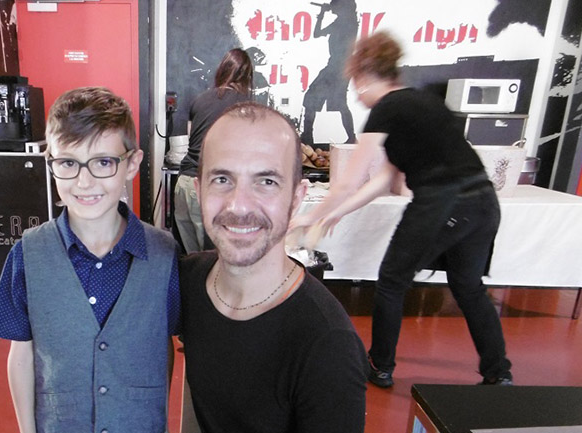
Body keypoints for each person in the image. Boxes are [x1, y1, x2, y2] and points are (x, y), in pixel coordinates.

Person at [49, 102, 367, 433]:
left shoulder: (325, 340)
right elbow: (108, 326)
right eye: (222, 179)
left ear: (297, 196)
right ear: (197, 190)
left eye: (266, 181)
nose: (239, 205)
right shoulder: (187, 281)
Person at [0, 87, 180, 433]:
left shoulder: (164, 253)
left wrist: (160, 426)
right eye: (68, 163)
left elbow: (163, 346)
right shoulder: (28, 254)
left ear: (131, 164)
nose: (85, 180)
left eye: (103, 162)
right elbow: (21, 355)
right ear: (50, 163)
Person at [290, 31, 513, 388]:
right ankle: (498, 371)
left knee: (392, 282)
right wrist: (335, 213)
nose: (356, 95)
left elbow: (347, 182)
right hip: (484, 203)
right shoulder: (424, 103)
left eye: (354, 85)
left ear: (363, 76)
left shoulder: (387, 109)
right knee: (468, 286)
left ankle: (380, 366)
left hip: (443, 202)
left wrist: (309, 217)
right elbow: (382, 180)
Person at [174, 48, 253, 254]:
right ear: (247, 76)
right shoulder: (246, 106)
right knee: (212, 260)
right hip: (206, 188)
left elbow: (192, 139)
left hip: (184, 184)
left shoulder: (199, 100)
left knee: (190, 259)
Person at [300, 0, 358, 145]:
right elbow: (317, 33)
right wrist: (322, 14)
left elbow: (318, 33)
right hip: (335, 67)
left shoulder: (347, 23)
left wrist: (324, 12)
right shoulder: (342, 22)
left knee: (323, 100)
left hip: (338, 68)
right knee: (318, 100)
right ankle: (308, 136)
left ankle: (308, 136)